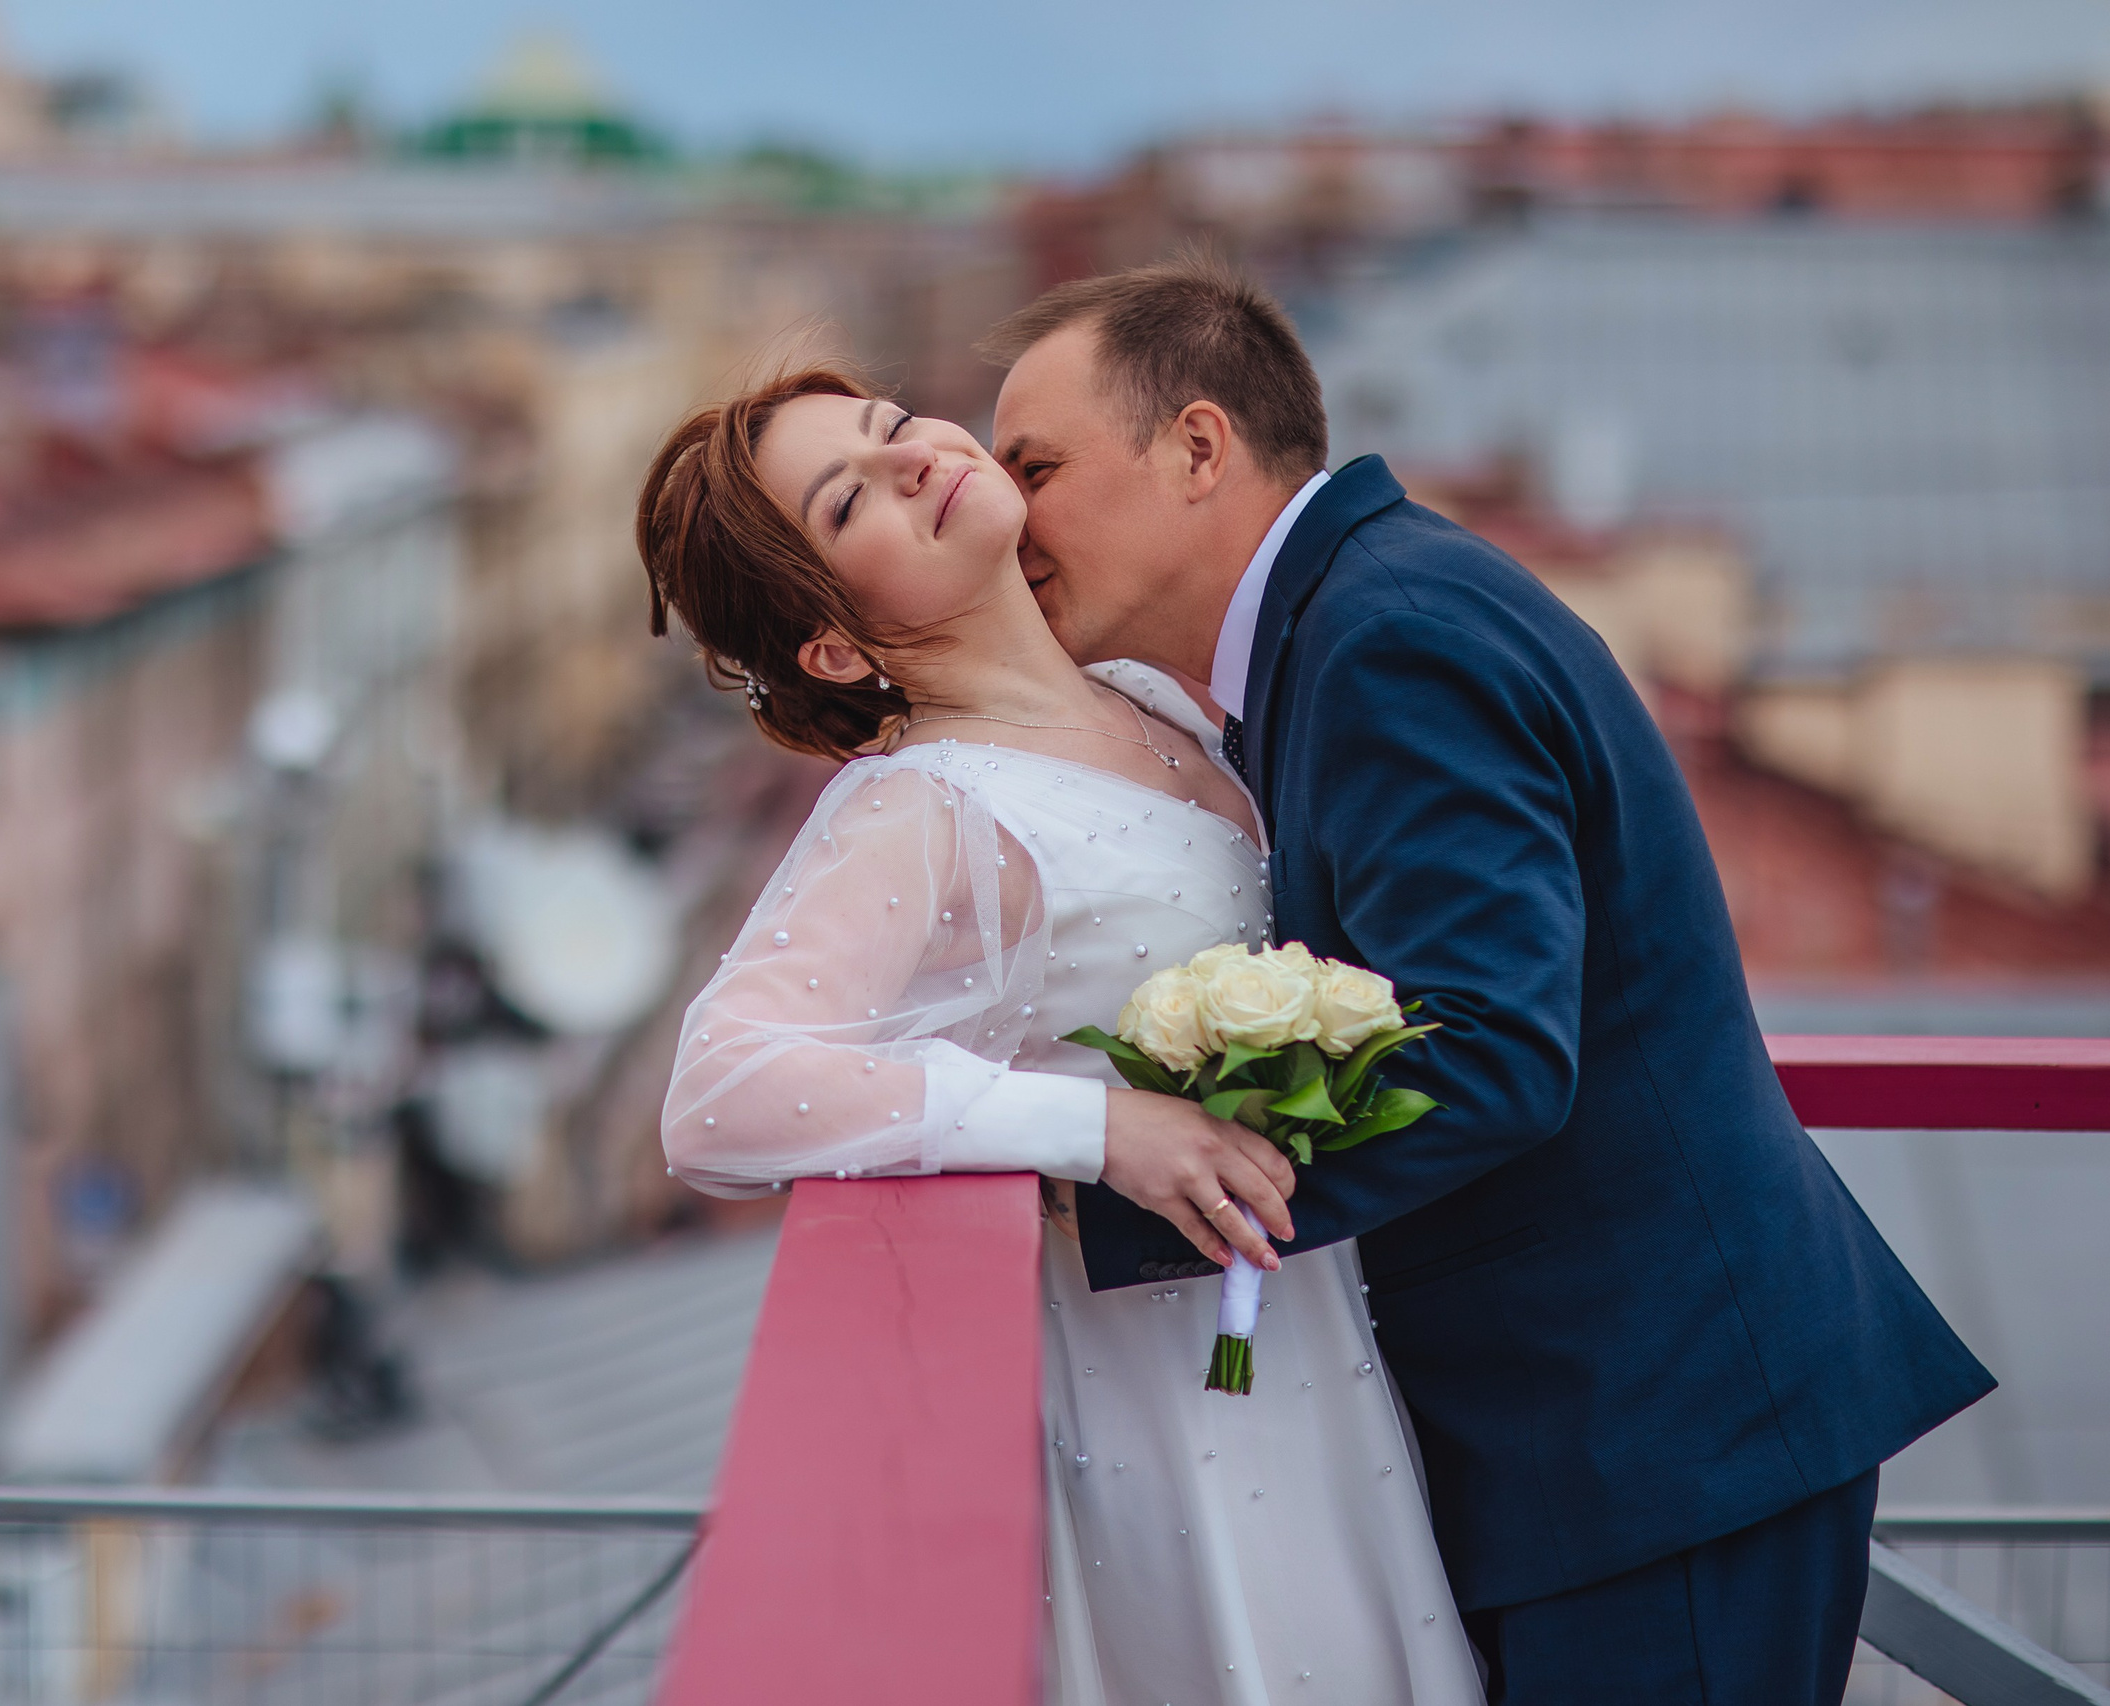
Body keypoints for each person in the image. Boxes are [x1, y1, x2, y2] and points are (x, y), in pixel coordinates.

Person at [980, 255, 1996, 1703]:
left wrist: (1142, 1188)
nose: (1011, 514)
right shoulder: (1357, 615)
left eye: (1040, 464)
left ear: (1197, 447)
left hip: (1657, 1443)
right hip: (1632, 1439)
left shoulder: (1385, 639)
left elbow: (1494, 1046)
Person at [640, 365, 1486, 1703]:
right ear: (836, 647)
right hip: (1168, 1401)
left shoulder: (1151, 695)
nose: (914, 454)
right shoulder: (920, 805)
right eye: (850, 494)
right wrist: (1097, 1127)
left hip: (1315, 1338)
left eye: (888, 423)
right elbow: (721, 1090)